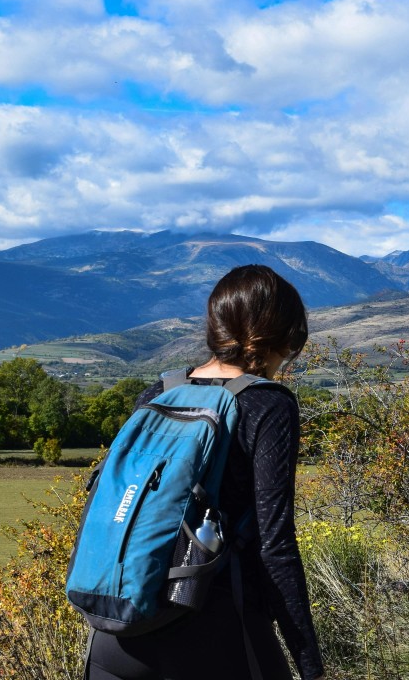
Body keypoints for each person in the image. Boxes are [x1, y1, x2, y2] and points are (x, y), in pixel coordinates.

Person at [87, 264, 325, 680]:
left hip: (117, 633)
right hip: (215, 630)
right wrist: (310, 665)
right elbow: (276, 546)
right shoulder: (268, 406)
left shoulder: (159, 393)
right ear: (284, 336)